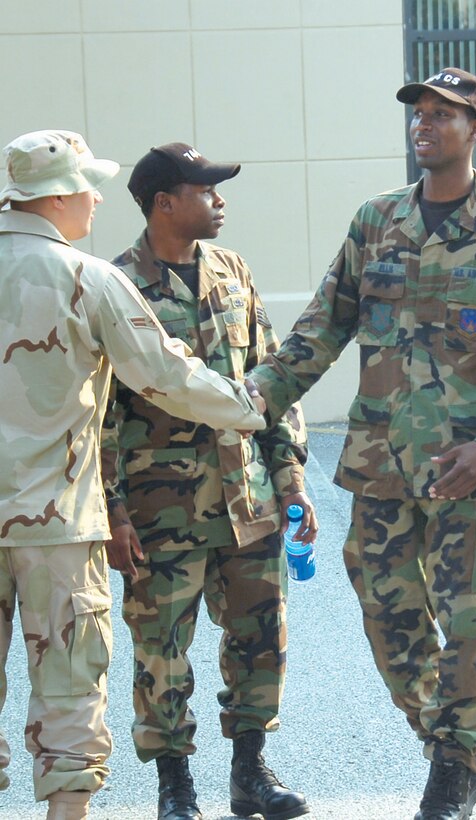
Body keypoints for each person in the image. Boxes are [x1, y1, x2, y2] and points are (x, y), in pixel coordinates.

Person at [246, 67, 476, 820]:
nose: (425, 123)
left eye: (443, 114)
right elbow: (322, 327)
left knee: (472, 620)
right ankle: (458, 749)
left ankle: (450, 772)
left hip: (467, 471)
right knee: (389, 618)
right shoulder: (376, 220)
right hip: (381, 465)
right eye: (419, 112)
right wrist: (249, 399)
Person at [0, 131, 267, 820]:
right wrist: (249, 408)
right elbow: (168, 376)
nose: (95, 196)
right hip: (55, 525)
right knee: (67, 688)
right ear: (57, 196)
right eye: (87, 184)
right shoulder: (90, 278)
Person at [102, 142, 316, 820]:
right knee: (161, 650)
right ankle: (175, 788)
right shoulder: (117, 285)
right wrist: (111, 510)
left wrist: (290, 480)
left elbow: (271, 380)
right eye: (206, 189)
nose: (220, 200)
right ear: (165, 201)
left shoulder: (232, 272)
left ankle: (250, 774)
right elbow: (99, 411)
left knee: (260, 639)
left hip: (247, 500)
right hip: (160, 507)